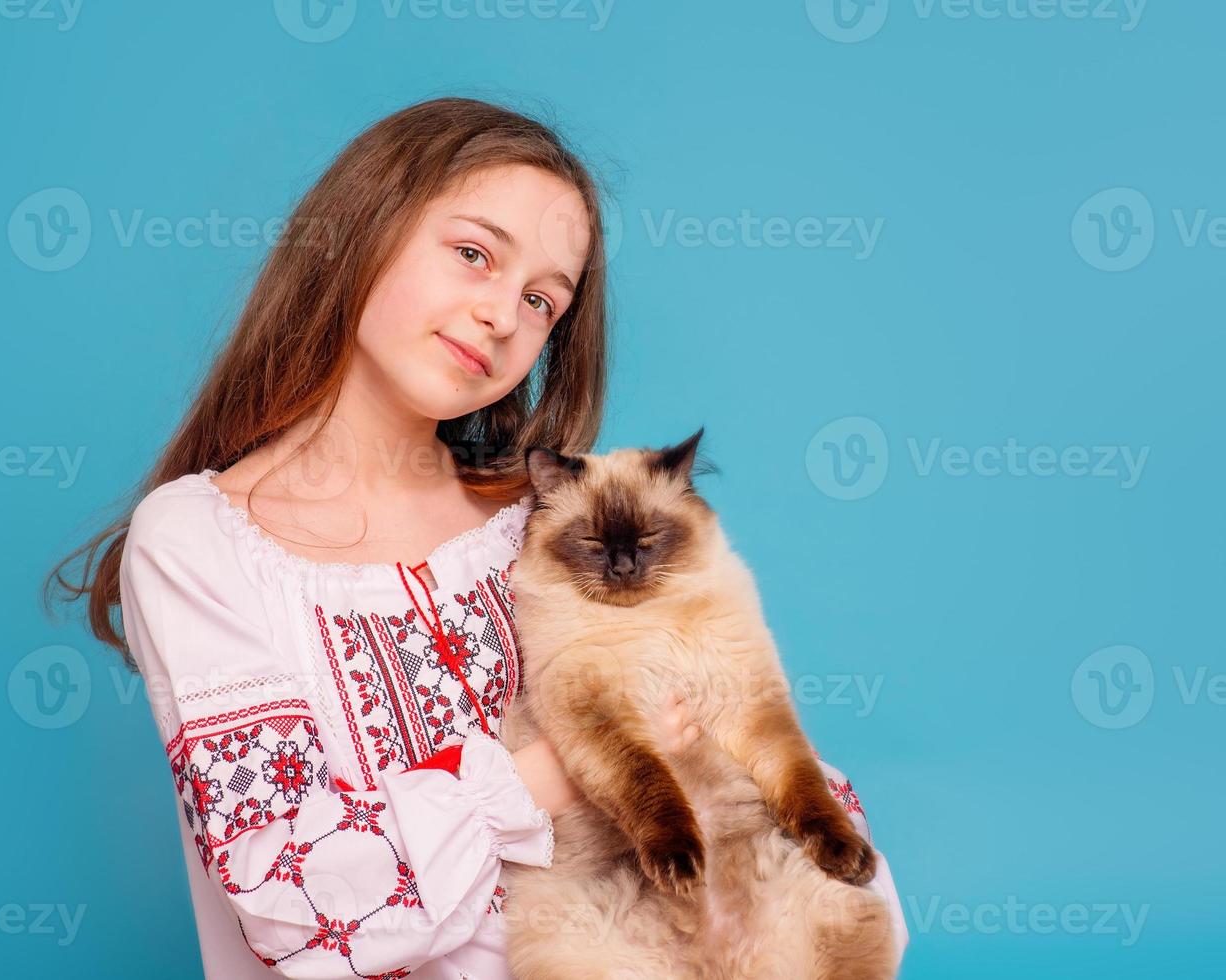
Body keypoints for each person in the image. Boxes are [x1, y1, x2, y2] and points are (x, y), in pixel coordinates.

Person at [49, 96, 910, 979]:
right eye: (473, 254)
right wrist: (574, 767)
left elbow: (739, 745)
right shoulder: (200, 542)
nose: (503, 313)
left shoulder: (537, 528)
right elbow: (296, 907)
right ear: (360, 231)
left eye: (541, 300)